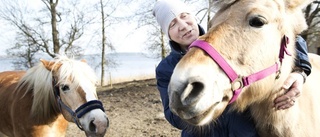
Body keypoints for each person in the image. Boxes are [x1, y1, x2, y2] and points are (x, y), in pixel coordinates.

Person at [153, 0, 312, 136]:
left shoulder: (221, 31)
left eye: (184, 16)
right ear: (168, 33)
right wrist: (196, 102)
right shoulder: (165, 68)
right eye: (172, 24)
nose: (182, 25)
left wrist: (301, 71)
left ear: (193, 17)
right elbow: (172, 116)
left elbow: (284, 36)